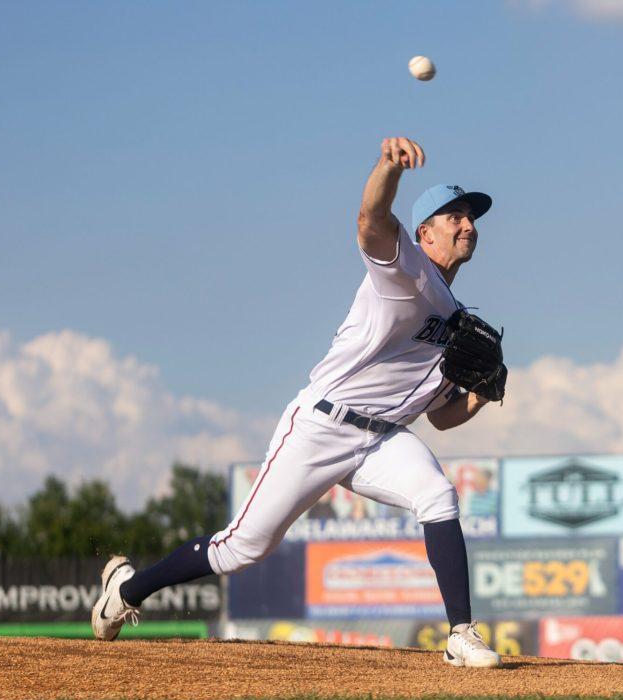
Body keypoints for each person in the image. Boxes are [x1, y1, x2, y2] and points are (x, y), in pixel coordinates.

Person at [91, 136, 504, 667]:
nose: (468, 224)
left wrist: (479, 396)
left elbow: (442, 420)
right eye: (455, 216)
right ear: (425, 233)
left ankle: (460, 635)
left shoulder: (459, 322)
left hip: (382, 440)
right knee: (242, 548)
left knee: (438, 496)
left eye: (471, 217)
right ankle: (127, 590)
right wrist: (387, 168)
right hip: (321, 426)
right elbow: (369, 220)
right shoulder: (405, 270)